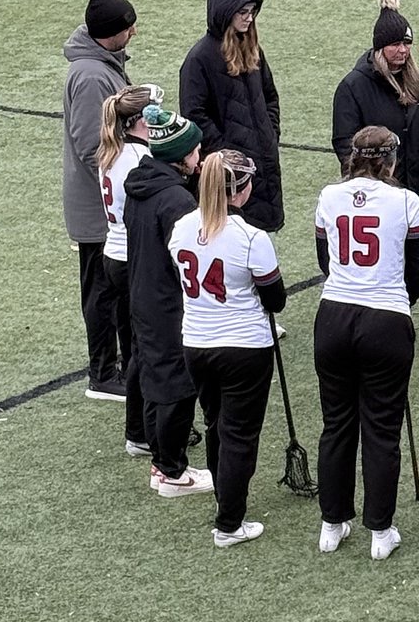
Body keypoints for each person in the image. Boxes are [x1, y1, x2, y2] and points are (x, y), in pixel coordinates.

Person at [313, 126, 419, 560]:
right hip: (386, 318)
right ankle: (380, 531)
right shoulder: (407, 201)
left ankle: (332, 522)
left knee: (337, 423)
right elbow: (417, 270)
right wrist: (398, 304)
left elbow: (325, 260)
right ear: (390, 160)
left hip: (335, 315)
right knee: (382, 428)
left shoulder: (329, 196)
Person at [169, 150, 286, 547]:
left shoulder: (181, 228)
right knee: (239, 434)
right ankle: (229, 523)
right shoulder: (253, 238)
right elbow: (275, 299)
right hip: (244, 347)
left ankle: (226, 500)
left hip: (196, 344)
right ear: (243, 190)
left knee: (216, 424)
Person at [124, 105, 212, 497]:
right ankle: (171, 470)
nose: (200, 157)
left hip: (141, 294)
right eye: (195, 151)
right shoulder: (176, 201)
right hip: (169, 302)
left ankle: (161, 461)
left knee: (151, 376)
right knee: (176, 385)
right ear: (181, 155)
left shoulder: (141, 185)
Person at [63, 0, 137, 402]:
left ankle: (112, 367)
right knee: (101, 291)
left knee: (108, 290)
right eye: (128, 27)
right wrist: (124, 187)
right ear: (110, 34)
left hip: (102, 204)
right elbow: (93, 146)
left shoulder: (100, 65)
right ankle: (103, 373)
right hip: (99, 209)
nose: (134, 33)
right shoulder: (92, 76)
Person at [180, 0, 283, 232]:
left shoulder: (253, 49)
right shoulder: (199, 59)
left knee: (258, 241)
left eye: (252, 13)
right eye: (243, 12)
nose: (249, 19)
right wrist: (227, 154)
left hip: (261, 166)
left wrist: (270, 134)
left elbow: (270, 97)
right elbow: (195, 116)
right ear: (225, 13)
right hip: (228, 176)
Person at [332, 0, 419, 215]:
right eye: (395, 44)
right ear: (380, 47)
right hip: (376, 194)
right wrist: (366, 178)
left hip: (417, 188)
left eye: (407, 43)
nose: (403, 50)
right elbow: (344, 141)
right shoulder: (353, 86)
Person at [97, 83, 159, 455]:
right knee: (144, 349)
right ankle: (140, 431)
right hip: (133, 259)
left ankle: (142, 426)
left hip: (113, 255)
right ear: (139, 121)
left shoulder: (111, 152)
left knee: (134, 344)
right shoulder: (138, 159)